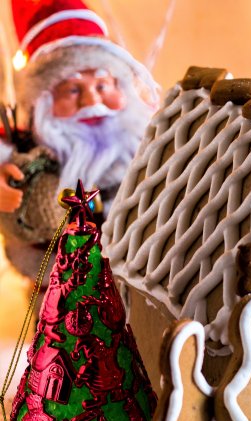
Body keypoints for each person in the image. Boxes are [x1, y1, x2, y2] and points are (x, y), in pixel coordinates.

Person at [0, 0, 158, 283]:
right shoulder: (28, 144)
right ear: (45, 100)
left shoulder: (147, 139)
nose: (92, 101)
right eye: (73, 90)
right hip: (58, 288)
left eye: (101, 85)